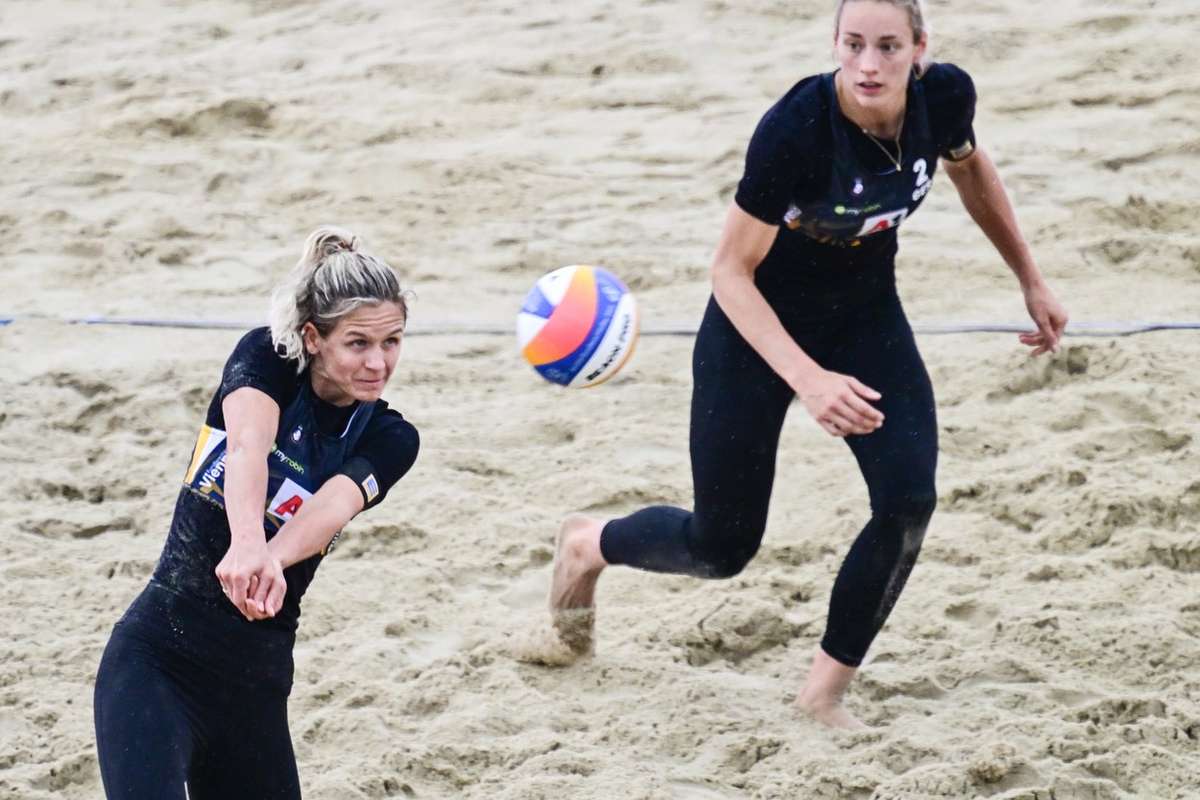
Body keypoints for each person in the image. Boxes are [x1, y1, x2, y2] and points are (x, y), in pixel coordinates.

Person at [528, 0, 1069, 729]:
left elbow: (972, 173)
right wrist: (806, 380)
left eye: (887, 46)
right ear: (835, 45)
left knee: (908, 502)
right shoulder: (797, 129)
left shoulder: (944, 96)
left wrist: (1030, 278)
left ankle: (822, 695)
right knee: (721, 548)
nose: (869, 65)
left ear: (919, 47)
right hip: (754, 332)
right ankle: (588, 544)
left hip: (865, 316)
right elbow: (729, 272)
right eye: (853, 45)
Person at [93, 227, 420, 797]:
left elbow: (329, 510)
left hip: (255, 684)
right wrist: (245, 543)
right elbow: (248, 445)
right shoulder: (265, 358)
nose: (378, 362)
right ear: (314, 337)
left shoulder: (393, 438)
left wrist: (269, 557)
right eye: (358, 343)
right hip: (158, 659)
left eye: (391, 341)